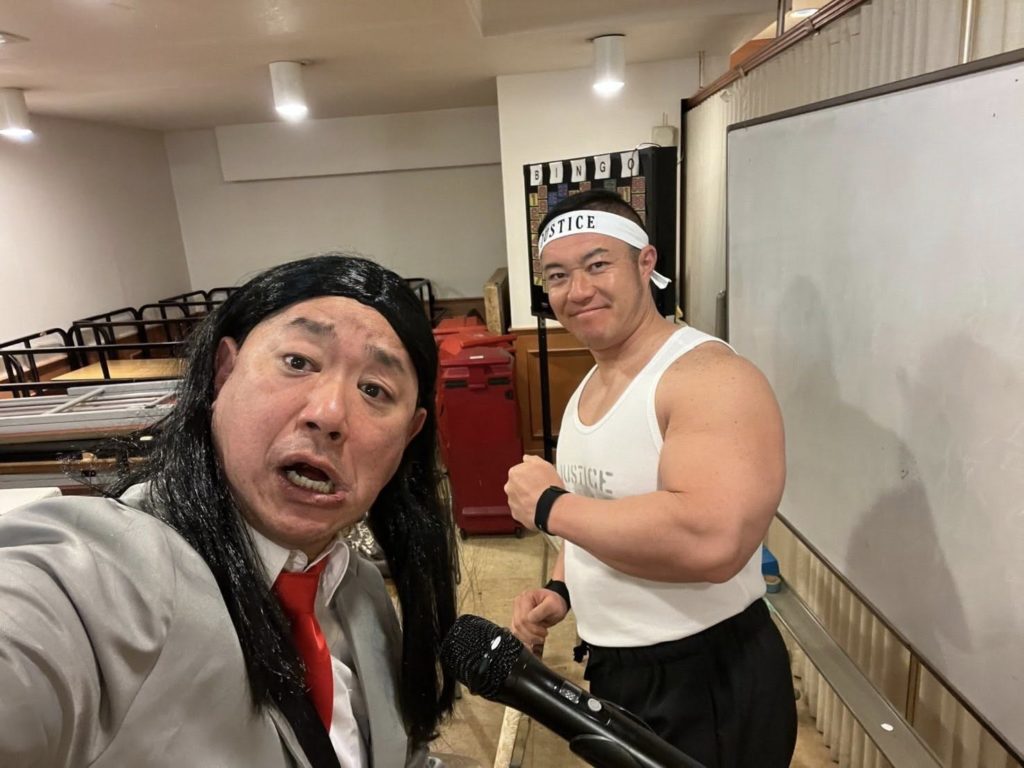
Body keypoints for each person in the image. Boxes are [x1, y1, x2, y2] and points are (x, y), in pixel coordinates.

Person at [0, 255, 458, 768]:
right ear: (224, 372)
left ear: (408, 436)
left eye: (374, 390)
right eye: (298, 362)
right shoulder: (110, 578)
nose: (330, 414)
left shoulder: (361, 592)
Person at [505, 191, 797, 767]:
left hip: (707, 676)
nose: (577, 290)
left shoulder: (709, 377)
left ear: (645, 263)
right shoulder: (590, 384)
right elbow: (606, 510)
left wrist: (549, 507)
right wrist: (564, 588)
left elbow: (711, 540)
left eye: (597, 264)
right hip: (619, 671)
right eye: (557, 275)